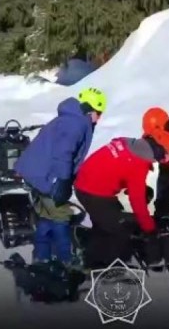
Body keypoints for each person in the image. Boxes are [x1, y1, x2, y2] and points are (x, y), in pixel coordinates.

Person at [14, 87, 106, 265]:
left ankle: (41, 256)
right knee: (61, 215)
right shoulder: (76, 124)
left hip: (38, 171)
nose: (99, 117)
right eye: (99, 112)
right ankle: (66, 262)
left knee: (48, 215)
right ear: (89, 109)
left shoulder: (74, 119)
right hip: (45, 174)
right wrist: (63, 181)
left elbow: (72, 155)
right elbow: (63, 154)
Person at [74, 129, 169, 268]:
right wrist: (150, 230)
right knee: (120, 230)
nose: (165, 159)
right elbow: (137, 202)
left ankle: (94, 250)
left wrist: (135, 187)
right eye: (166, 154)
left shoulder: (127, 143)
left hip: (86, 182)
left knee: (109, 221)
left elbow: (116, 166)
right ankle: (107, 267)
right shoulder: (138, 164)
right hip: (92, 192)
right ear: (158, 149)